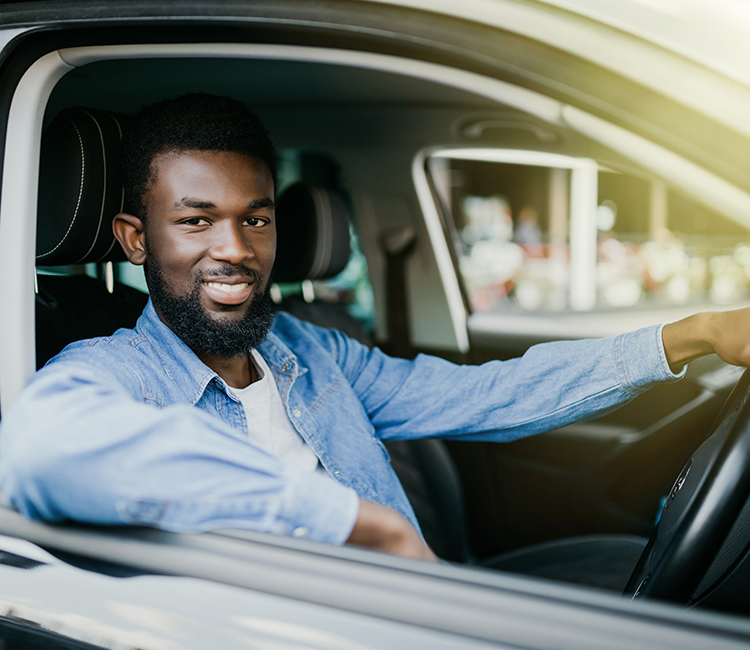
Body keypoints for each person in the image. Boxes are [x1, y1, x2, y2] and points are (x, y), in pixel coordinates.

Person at [1, 94, 750, 563]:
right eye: (195, 221)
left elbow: (485, 395)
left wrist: (693, 334)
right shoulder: (113, 369)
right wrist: (362, 526)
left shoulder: (308, 350)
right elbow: (36, 448)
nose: (233, 249)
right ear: (136, 240)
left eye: (254, 219)